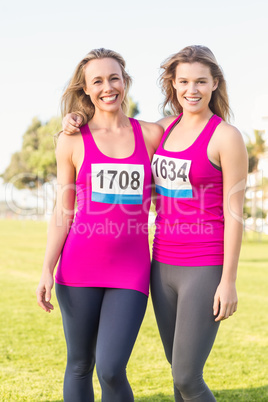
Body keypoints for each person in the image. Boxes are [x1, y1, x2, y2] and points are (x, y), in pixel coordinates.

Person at [62, 45, 248, 401]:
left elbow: (235, 213)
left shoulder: (226, 136)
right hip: (161, 263)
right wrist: (76, 119)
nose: (191, 90)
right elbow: (114, 134)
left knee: (187, 376)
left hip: (204, 263)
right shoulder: (163, 130)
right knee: (177, 374)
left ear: (214, 84)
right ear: (173, 85)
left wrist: (228, 281)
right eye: (183, 82)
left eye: (200, 82)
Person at [36, 48, 162, 402]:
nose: (108, 87)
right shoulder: (71, 139)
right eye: (98, 81)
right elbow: (63, 211)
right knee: (79, 364)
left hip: (131, 271)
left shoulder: (151, 135)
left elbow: (190, 135)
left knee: (110, 368)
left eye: (114, 78)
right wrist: (47, 268)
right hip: (77, 269)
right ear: (87, 89)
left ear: (125, 82)